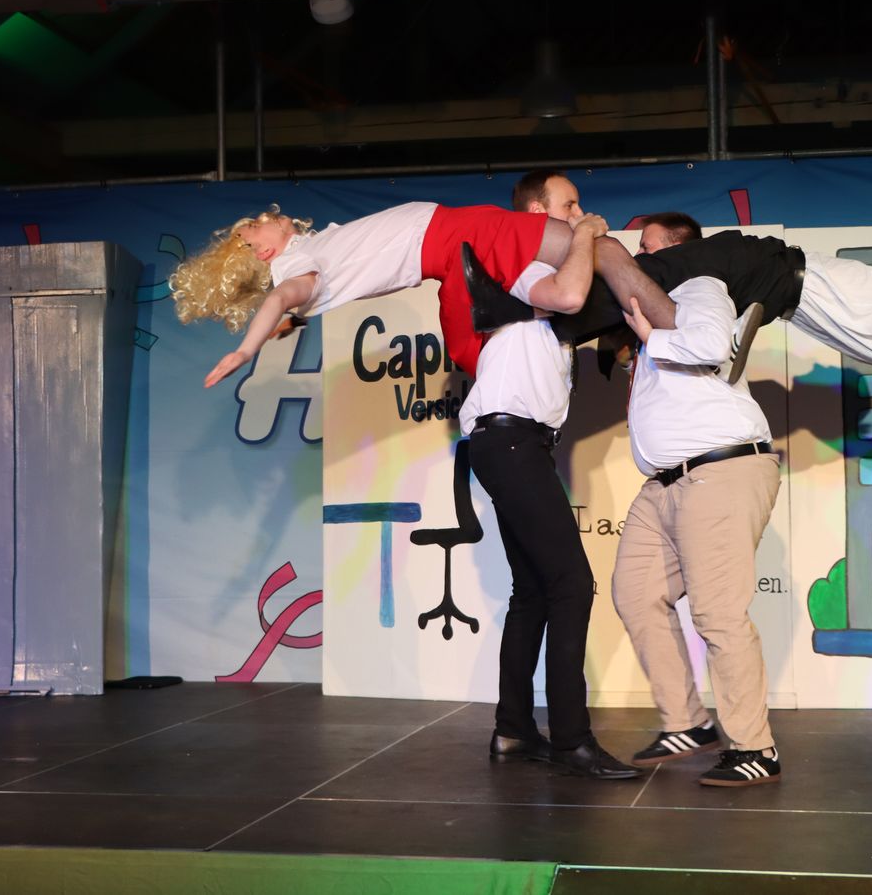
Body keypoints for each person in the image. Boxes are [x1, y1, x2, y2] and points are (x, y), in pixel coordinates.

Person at [461, 178, 638, 780]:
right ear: (537, 214)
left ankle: (513, 732)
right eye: (569, 206)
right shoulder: (525, 265)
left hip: (515, 444)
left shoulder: (542, 294)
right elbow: (571, 292)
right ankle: (571, 740)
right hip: (509, 441)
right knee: (571, 585)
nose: (581, 213)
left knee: (535, 591)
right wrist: (586, 232)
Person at [172, 187, 673, 386]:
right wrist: (247, 348)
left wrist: (285, 323)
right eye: (250, 233)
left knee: (596, 261)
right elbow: (284, 295)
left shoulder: (308, 250)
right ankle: (669, 329)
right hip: (456, 237)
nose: (257, 224)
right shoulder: (292, 267)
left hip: (456, 240)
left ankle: (643, 330)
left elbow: (293, 305)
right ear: (263, 253)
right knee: (598, 253)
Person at [472, 222, 872, 383]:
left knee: (654, 269)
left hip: (770, 272)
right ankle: (551, 327)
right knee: (651, 286)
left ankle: (519, 308)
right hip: (772, 295)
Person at [611, 282, 785, 786]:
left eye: (649, 246)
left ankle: (756, 748)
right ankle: (687, 723)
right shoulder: (655, 314)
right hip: (664, 483)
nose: (641, 254)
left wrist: (650, 336)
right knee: (636, 594)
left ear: (674, 247)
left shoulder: (699, 287)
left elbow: (709, 346)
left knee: (718, 614)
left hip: (719, 468)